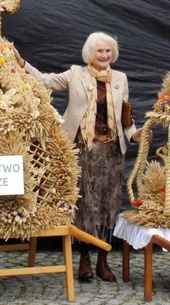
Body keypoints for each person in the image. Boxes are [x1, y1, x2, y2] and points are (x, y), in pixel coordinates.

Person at [13, 32, 143, 282]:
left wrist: (134, 134)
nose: (104, 55)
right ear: (90, 54)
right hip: (83, 149)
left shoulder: (120, 78)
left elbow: (124, 115)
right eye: (99, 51)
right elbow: (44, 81)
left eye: (108, 51)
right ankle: (84, 260)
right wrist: (21, 63)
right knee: (85, 206)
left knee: (108, 206)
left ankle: (103, 261)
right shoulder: (75, 74)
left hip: (113, 152)